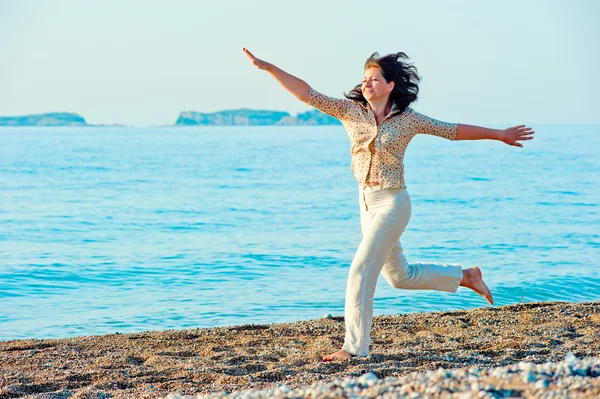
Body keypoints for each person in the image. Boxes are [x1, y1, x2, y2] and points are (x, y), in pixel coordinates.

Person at [242, 48, 535, 362]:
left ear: (390, 85)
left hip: (394, 203)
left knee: (360, 271)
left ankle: (354, 349)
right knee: (399, 277)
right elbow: (307, 94)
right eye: (365, 79)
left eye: (374, 79)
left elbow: (453, 131)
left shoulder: (408, 120)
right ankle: (465, 276)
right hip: (366, 203)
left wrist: (500, 134)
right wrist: (270, 67)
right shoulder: (350, 111)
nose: (367, 84)